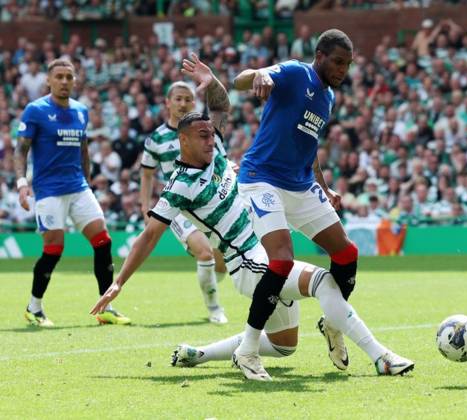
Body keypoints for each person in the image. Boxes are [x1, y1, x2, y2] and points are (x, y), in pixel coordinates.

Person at [90, 54, 413, 381]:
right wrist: (118, 282)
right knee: (323, 282)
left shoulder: (214, 151)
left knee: (285, 346)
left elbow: (221, 105)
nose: (210, 138)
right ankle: (380, 356)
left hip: (262, 251)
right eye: (201, 135)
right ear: (182, 141)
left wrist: (212, 79)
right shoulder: (179, 187)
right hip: (246, 261)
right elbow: (149, 237)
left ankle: (201, 354)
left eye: (210, 133)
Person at [232, 29, 359, 371]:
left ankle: (333, 325)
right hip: (262, 179)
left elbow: (309, 146)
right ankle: (247, 349)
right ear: (319, 56)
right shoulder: (294, 72)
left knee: (347, 254)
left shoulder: (328, 98)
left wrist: (325, 186)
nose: (342, 69)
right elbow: (240, 80)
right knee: (282, 260)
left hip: (301, 184)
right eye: (337, 62)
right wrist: (258, 74)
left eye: (347, 64)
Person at [15, 58, 129, 327]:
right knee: (54, 248)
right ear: (49, 80)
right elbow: (21, 149)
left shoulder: (81, 111)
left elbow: (84, 149)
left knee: (103, 240)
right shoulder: (36, 110)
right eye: (59, 77)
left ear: (75, 80)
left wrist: (87, 183)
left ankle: (106, 306)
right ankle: (35, 308)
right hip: (49, 191)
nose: (64, 81)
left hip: (78, 187)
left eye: (69, 77)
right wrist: (22, 182)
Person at [140, 77, 228, 324]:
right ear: (167, 103)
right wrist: (145, 207)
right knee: (204, 253)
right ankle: (215, 309)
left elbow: (220, 162)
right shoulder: (156, 139)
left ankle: (209, 279)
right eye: (178, 99)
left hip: (208, 202)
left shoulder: (206, 130)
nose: (183, 103)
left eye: (188, 99)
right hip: (177, 207)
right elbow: (146, 175)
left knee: (219, 263)